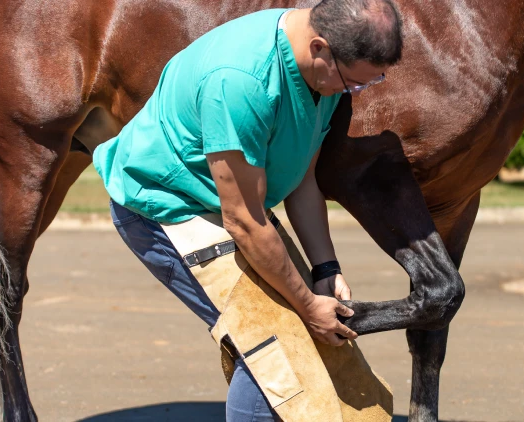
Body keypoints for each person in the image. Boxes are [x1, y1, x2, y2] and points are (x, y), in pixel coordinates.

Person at [93, 0, 403, 420]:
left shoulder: (322, 72)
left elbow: (302, 179)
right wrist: (308, 306)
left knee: (322, 344)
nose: (353, 93)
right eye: (355, 84)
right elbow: (243, 221)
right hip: (167, 205)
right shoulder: (240, 82)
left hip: (234, 206)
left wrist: (325, 268)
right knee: (273, 353)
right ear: (319, 48)